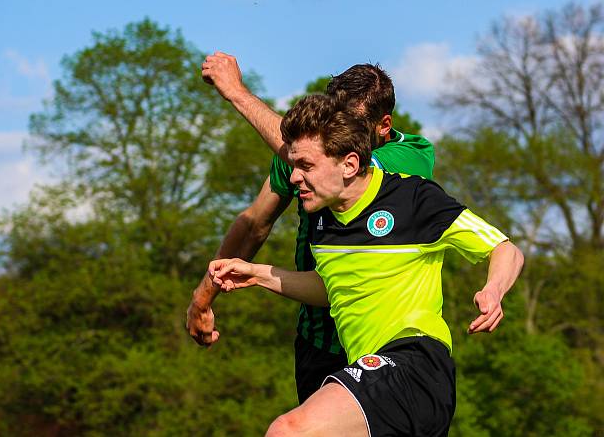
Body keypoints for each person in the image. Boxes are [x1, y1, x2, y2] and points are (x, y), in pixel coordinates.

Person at [208, 95, 524, 436]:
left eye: (306, 166)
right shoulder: (322, 222)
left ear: (349, 164)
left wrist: (493, 290)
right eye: (294, 165)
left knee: (289, 431)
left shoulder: (413, 199)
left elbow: (505, 250)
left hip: (414, 361)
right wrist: (259, 274)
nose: (294, 176)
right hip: (372, 374)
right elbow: (331, 289)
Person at [187, 53, 434, 403]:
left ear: (383, 125)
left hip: (387, 344)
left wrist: (238, 94)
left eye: (355, 128)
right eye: (336, 123)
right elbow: (255, 224)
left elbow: (330, 165)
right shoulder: (304, 154)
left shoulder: (411, 156)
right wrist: (203, 297)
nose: (341, 138)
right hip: (318, 344)